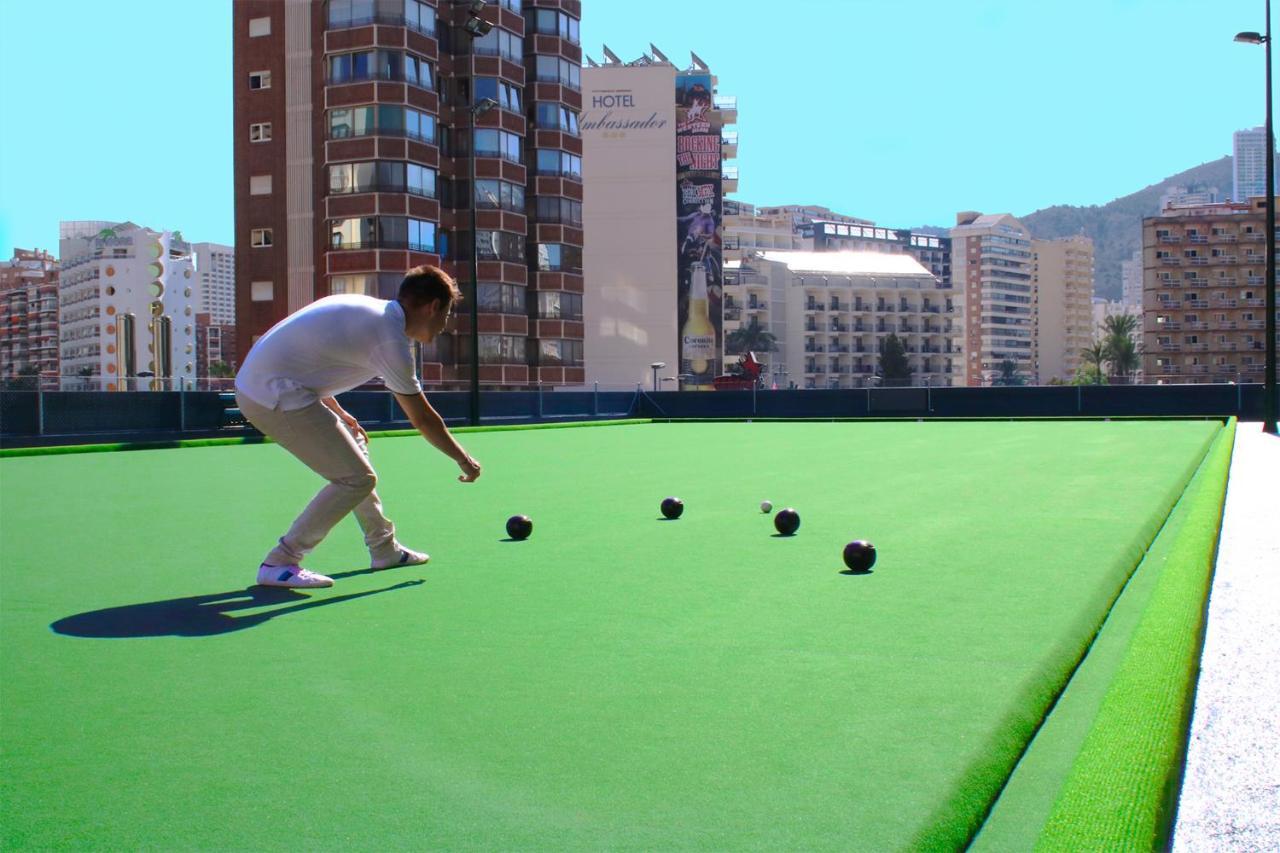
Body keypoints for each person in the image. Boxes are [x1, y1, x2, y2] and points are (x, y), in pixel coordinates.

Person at [234, 265, 482, 589]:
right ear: (433, 307)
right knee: (356, 478)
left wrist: (334, 407)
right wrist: (463, 459)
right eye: (446, 314)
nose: (443, 326)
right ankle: (281, 561)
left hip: (271, 386)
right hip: (271, 394)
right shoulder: (389, 339)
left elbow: (309, 353)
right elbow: (421, 418)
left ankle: (384, 549)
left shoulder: (371, 312)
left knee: (356, 455)